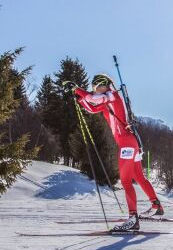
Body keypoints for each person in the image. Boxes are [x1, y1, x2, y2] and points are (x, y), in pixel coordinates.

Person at [67, 74, 163, 232]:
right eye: (94, 88)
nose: (95, 91)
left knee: (125, 181)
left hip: (127, 143)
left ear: (104, 85)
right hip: (131, 142)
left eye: (97, 87)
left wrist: (77, 89)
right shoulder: (106, 102)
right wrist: (78, 98)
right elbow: (91, 107)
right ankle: (156, 205)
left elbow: (93, 99)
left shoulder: (112, 96)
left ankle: (133, 218)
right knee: (138, 176)